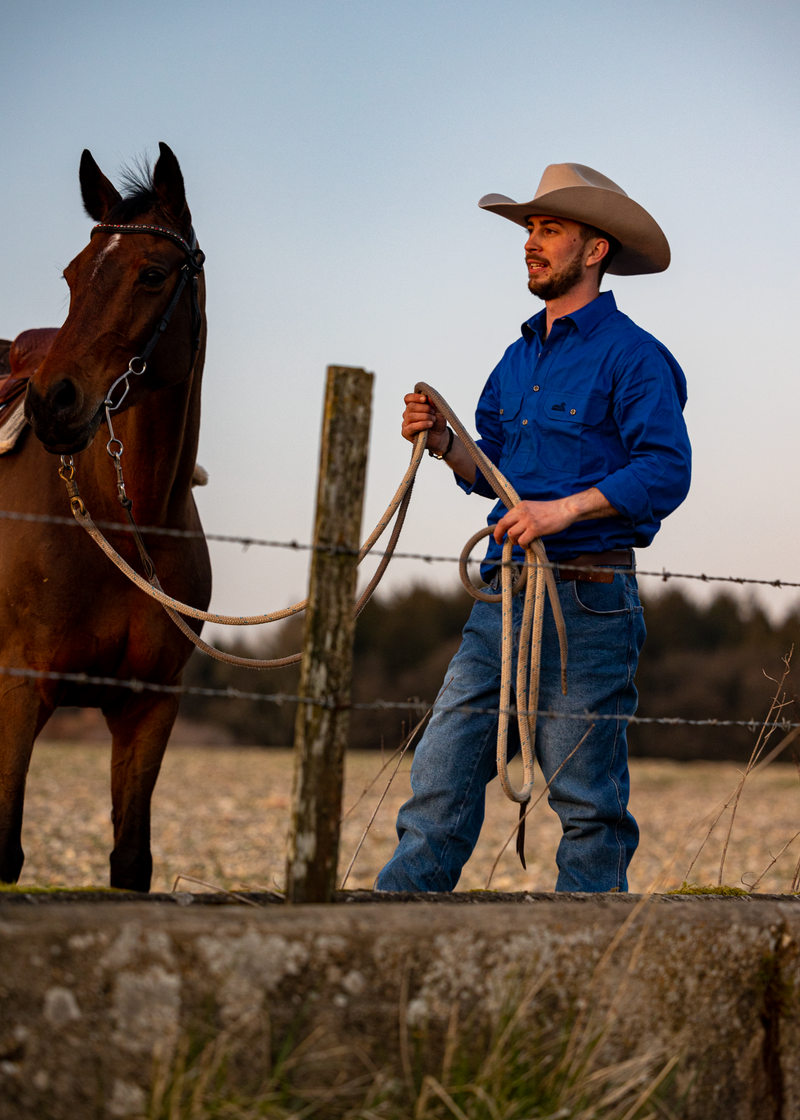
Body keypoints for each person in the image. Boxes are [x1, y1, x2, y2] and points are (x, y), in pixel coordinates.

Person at [376, 163, 691, 893]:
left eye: (550, 230)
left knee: (586, 800)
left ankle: (586, 963)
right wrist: (444, 443)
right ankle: (395, 932)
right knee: (441, 772)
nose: (532, 243)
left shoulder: (634, 356)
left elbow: (666, 469)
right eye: (529, 230)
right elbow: (494, 471)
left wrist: (567, 508)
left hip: (588, 598)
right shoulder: (516, 359)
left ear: (595, 250)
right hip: (502, 597)